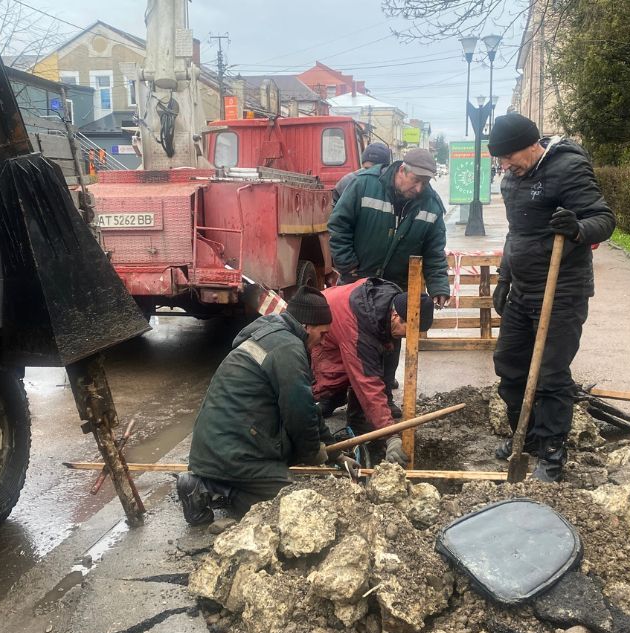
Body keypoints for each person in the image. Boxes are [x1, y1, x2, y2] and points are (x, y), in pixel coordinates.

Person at [487, 113, 616, 482]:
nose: (505, 165)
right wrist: (504, 279)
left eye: (509, 156)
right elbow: (517, 235)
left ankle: (551, 450)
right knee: (509, 364)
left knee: (550, 373)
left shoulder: (568, 168)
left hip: (562, 291)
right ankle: (523, 435)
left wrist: (577, 229)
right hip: (523, 289)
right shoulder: (513, 179)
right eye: (501, 159)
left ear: (532, 145)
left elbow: (603, 219)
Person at [176, 288, 348, 525]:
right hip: (233, 450)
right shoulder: (287, 348)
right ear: (307, 326)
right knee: (287, 499)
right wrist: (312, 453)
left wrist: (333, 450)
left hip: (218, 444)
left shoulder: (274, 333)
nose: (323, 341)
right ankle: (206, 487)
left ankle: (213, 482)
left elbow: (306, 404)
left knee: (286, 469)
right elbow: (299, 413)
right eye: (323, 334)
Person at [327, 147, 450, 418]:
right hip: (357, 281)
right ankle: (334, 393)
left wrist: (439, 283)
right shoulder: (364, 185)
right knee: (349, 341)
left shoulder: (431, 205)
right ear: (402, 170)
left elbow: (434, 249)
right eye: (416, 180)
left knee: (389, 342)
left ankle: (381, 395)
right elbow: (338, 226)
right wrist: (348, 265)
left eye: (425, 182)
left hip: (395, 285)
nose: (419, 188)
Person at [311, 278, 434, 466]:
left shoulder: (388, 304)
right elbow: (367, 383)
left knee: (364, 370)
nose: (407, 338)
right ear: (395, 316)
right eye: (407, 331)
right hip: (319, 326)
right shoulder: (360, 326)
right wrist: (391, 436)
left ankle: (358, 424)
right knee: (324, 384)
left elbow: (376, 371)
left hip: (336, 318)